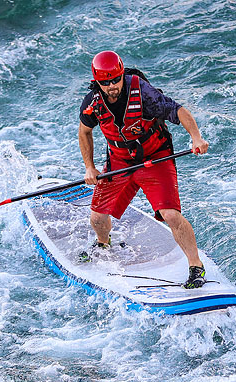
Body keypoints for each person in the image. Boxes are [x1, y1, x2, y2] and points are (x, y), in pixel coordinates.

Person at [78, 50, 210, 288]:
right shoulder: (92, 103)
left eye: (116, 80)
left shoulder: (144, 94)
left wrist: (196, 138)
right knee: (97, 217)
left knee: (170, 214)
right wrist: (90, 167)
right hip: (119, 161)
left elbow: (178, 110)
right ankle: (103, 243)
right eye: (105, 83)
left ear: (122, 75)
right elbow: (85, 131)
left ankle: (196, 266)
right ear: (97, 82)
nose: (112, 87)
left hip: (155, 157)